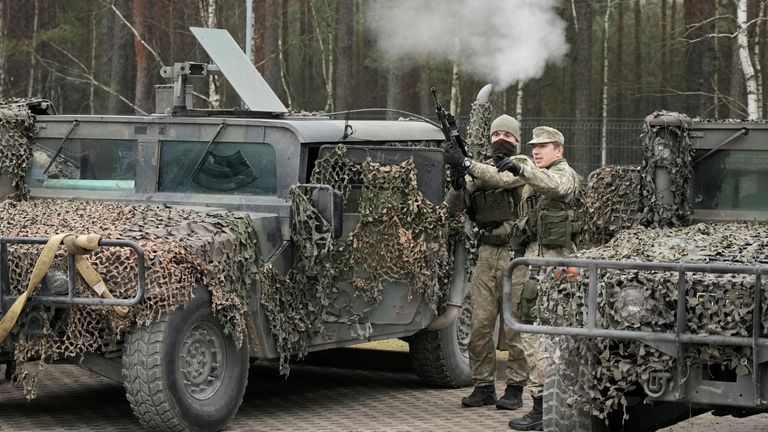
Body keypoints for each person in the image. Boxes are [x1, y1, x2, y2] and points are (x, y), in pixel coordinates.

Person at [495, 126, 582, 431]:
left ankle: (547, 407)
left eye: (544, 146)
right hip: (535, 267)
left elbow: (554, 187)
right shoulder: (534, 173)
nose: (536, 150)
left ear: (559, 150)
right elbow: (500, 177)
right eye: (534, 146)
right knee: (533, 335)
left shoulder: (564, 175)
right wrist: (467, 165)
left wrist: (522, 168)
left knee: (547, 339)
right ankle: (543, 406)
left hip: (558, 271)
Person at [444, 114, 529, 411]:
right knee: (480, 324)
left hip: (515, 256)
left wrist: (467, 165)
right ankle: (483, 387)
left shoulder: (522, 166)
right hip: (485, 254)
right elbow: (453, 206)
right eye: (496, 135)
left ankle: (516, 388)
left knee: (514, 325)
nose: (501, 139)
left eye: (507, 134)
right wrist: (457, 181)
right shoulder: (478, 171)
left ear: (517, 139)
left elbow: (502, 179)